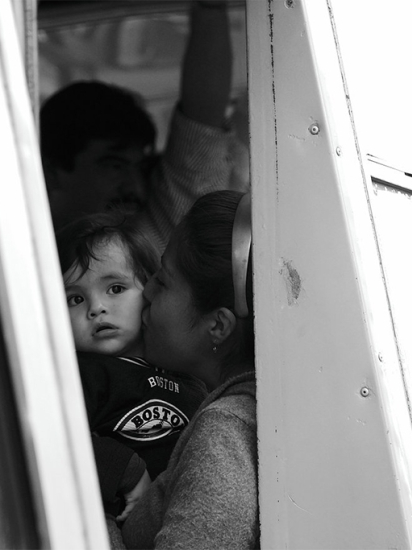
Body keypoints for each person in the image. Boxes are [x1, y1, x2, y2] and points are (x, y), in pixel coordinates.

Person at [107, 190, 257, 549]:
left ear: (217, 326)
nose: (146, 292)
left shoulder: (223, 433)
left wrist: (97, 522)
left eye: (163, 281)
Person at [42, 1, 234, 255]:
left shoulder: (163, 234)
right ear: (52, 172)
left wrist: (210, 9)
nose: (135, 187)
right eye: (114, 166)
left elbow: (201, 131)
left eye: (141, 168)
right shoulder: (15, 250)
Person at [56, 210, 207, 520]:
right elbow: (53, 436)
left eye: (115, 289)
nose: (97, 308)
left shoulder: (183, 366)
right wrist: (125, 469)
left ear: (151, 290)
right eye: (75, 299)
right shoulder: (81, 375)